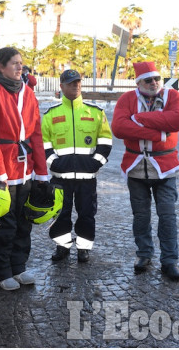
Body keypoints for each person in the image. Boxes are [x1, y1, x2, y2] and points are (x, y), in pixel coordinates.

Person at [0, 47, 48, 291]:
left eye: (21, 63)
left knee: (23, 222)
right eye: (14, 63)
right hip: (1, 169)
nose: (20, 67)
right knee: (2, 224)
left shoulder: (28, 93)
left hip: (25, 167)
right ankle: (0, 272)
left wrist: (41, 170)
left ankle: (19, 267)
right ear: (0, 66)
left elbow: (36, 133)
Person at [111, 61, 179, 281]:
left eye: (157, 79)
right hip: (135, 168)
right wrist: (158, 133)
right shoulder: (127, 99)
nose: (154, 83)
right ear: (138, 82)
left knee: (167, 216)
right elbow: (118, 127)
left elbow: (178, 120)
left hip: (165, 168)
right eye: (148, 80)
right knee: (141, 216)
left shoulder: (173, 97)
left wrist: (139, 119)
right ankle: (144, 254)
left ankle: (170, 261)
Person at [41, 69, 112, 263]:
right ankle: (62, 246)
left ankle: (84, 248)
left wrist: (95, 163)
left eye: (78, 82)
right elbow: (44, 144)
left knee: (87, 215)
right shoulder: (51, 114)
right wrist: (54, 162)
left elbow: (105, 141)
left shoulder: (95, 113)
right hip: (60, 177)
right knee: (60, 214)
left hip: (87, 178)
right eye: (71, 83)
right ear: (62, 86)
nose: (76, 85)